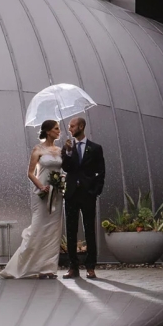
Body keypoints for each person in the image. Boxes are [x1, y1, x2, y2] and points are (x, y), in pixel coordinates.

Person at [0, 120, 64, 279]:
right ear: (48, 131)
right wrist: (41, 186)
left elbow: (64, 169)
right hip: (42, 193)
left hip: (56, 194)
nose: (59, 131)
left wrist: (61, 181)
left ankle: (48, 268)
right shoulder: (37, 149)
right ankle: (23, 266)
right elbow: (30, 173)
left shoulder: (60, 150)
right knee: (37, 228)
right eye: (56, 128)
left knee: (53, 230)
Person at [61, 116, 106, 279]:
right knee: (71, 231)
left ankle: (90, 266)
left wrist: (95, 191)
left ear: (81, 126)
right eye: (69, 126)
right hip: (72, 194)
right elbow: (66, 168)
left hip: (87, 194)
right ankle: (73, 266)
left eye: (72, 126)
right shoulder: (68, 147)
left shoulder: (95, 148)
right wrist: (67, 152)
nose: (70, 129)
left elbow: (101, 171)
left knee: (89, 230)